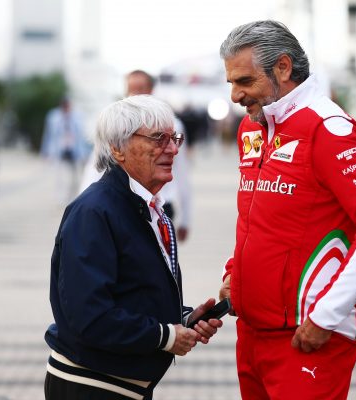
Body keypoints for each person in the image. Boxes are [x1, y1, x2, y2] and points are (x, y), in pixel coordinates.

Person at [218, 20, 356, 399]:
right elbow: (253, 219)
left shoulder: (328, 127)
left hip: (307, 337)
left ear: (283, 68)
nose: (236, 95)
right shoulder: (251, 130)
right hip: (252, 333)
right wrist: (235, 276)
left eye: (245, 81)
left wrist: (327, 314)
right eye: (231, 83)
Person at [44, 95, 222, 400]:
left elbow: (131, 292)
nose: (173, 149)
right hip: (90, 385)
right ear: (117, 148)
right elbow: (90, 316)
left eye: (174, 138)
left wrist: (182, 320)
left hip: (122, 385)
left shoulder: (147, 207)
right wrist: (166, 336)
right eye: (158, 138)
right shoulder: (95, 212)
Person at [79, 70, 192, 241]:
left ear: (152, 90)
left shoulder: (172, 124)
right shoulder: (116, 125)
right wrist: (84, 204)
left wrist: (186, 218)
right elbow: (96, 165)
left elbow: (182, 173)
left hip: (161, 205)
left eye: (140, 88)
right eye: (130, 89)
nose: (171, 149)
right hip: (126, 204)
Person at [41, 97, 91, 205]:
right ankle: (61, 199)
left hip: (75, 151)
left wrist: (86, 153)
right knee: (60, 177)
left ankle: (73, 198)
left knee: (76, 177)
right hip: (59, 151)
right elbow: (48, 135)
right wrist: (45, 152)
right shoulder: (54, 117)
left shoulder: (77, 116)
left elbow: (82, 135)